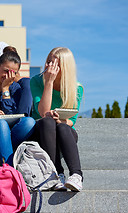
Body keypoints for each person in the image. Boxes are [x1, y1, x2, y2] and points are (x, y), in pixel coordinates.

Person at [29, 47, 84, 191]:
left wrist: (60, 120)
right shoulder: (36, 81)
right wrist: (49, 82)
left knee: (63, 126)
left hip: (64, 133)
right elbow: (42, 112)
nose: (48, 67)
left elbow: (72, 120)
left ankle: (76, 175)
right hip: (42, 131)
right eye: (48, 62)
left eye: (54, 64)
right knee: (47, 121)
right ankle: (56, 173)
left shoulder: (76, 88)